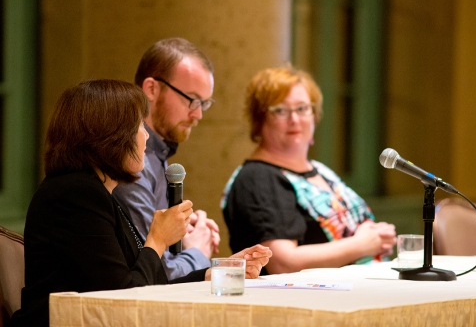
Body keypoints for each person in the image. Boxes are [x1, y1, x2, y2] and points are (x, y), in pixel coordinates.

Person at [10, 80, 271, 326]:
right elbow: (122, 299)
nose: (145, 138)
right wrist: (158, 239)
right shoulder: (76, 194)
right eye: (139, 126)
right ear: (111, 135)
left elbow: (142, 283)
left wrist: (218, 271)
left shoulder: (98, 193)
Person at [221, 66, 396, 274]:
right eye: (280, 110)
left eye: (302, 108)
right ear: (260, 120)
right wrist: (362, 245)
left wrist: (379, 236)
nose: (294, 119)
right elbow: (282, 263)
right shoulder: (258, 178)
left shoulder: (320, 169)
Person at [113, 38, 220, 279]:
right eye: (191, 99)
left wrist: (185, 230)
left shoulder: (159, 154)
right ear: (151, 89)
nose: (198, 114)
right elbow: (154, 272)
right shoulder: (129, 159)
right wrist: (198, 251)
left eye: (204, 103)